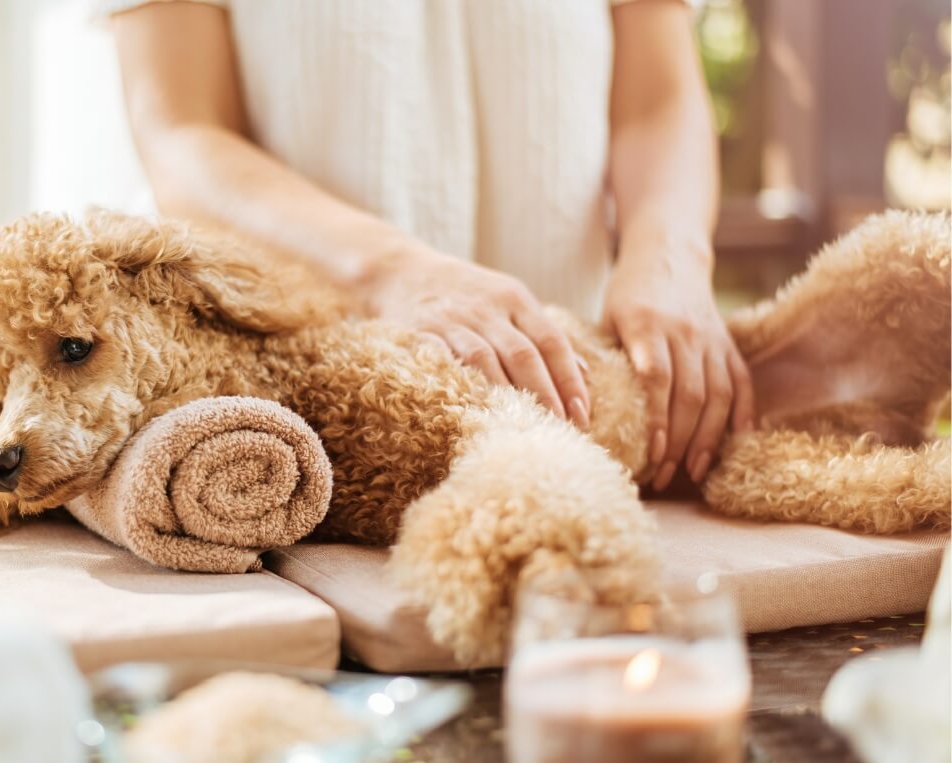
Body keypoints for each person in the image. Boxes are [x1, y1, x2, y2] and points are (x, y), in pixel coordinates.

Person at [106, 0, 753, 491]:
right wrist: (394, 274)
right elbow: (182, 132)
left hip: (586, 420)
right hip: (311, 436)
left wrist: (670, 259)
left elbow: (655, 101)